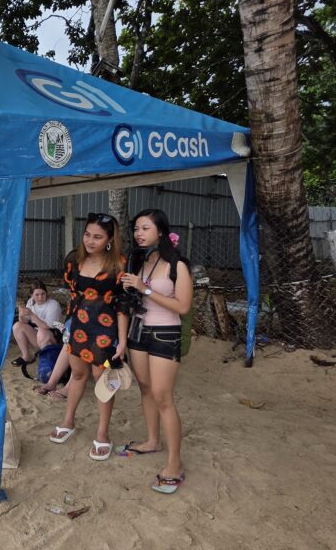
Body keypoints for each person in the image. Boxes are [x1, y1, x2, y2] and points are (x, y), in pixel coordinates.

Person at [119, 209, 193, 494]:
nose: (139, 233)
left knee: (163, 398)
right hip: (139, 332)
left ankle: (175, 464)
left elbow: (183, 307)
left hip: (165, 333)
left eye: (145, 228)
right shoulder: (140, 260)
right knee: (146, 389)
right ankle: (152, 441)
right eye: (136, 228)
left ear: (160, 231)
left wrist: (145, 290)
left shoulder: (178, 265)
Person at [48, 213, 129, 464]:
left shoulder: (120, 264)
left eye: (97, 236)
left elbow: (123, 304)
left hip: (105, 331)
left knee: (102, 379)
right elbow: (73, 294)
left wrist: (122, 340)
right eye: (87, 234)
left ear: (109, 239)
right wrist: (70, 325)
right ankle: (68, 421)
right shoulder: (74, 260)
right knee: (78, 374)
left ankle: (102, 433)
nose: (90, 241)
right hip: (78, 326)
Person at [11, 279, 63, 366]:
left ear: (46, 293)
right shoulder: (31, 302)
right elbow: (24, 322)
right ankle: (26, 356)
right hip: (37, 336)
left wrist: (31, 315)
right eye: (37, 295)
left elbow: (47, 326)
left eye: (43, 294)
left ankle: (47, 362)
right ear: (31, 295)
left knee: (42, 332)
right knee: (17, 326)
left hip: (53, 337)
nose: (40, 297)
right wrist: (21, 315)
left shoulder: (53, 304)